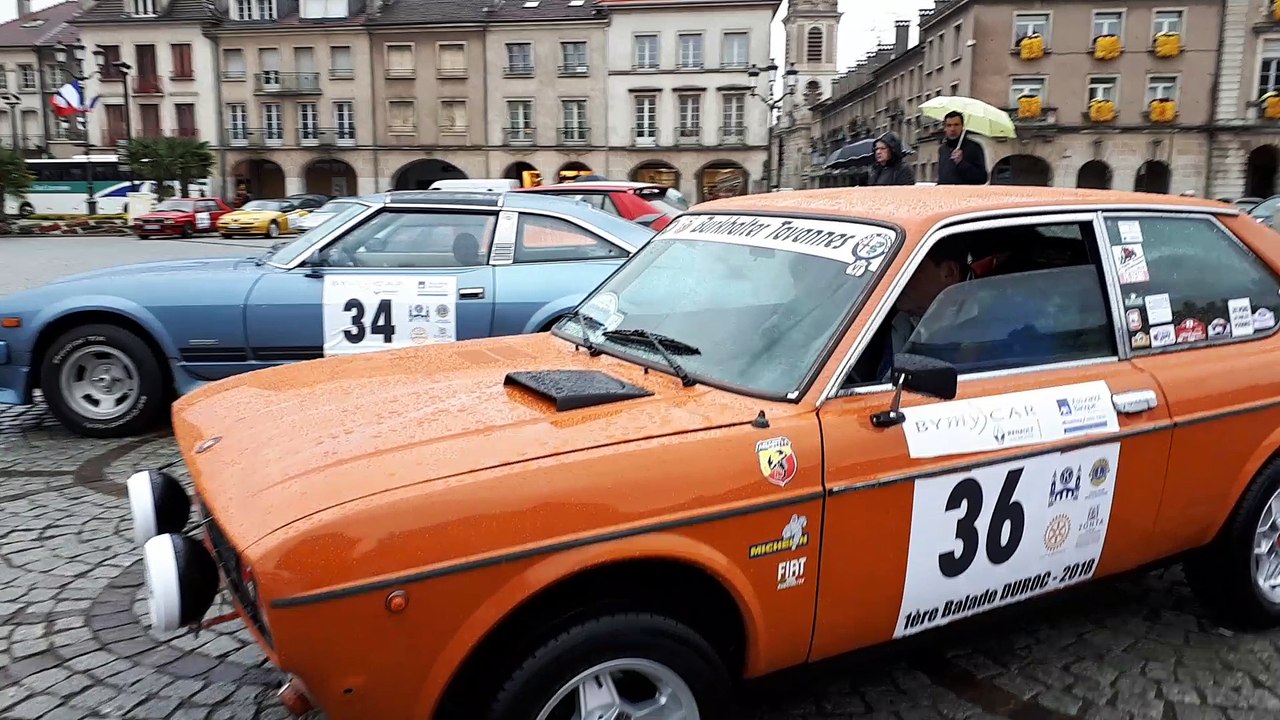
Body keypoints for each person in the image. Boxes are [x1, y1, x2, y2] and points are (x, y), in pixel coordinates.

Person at [876, 241, 970, 378]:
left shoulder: (982, 330)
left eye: (910, 268)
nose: (896, 279)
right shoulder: (899, 316)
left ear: (949, 273)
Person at [937, 111, 989, 185]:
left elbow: (982, 178)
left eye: (956, 125)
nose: (952, 129)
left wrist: (961, 163)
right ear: (945, 128)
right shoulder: (943, 149)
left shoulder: (974, 147)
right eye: (949, 125)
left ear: (962, 127)